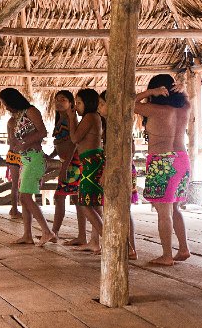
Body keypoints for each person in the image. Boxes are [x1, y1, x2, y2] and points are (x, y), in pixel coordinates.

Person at [134, 74, 192, 265]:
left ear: (158, 90)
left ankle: (167, 255)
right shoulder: (185, 108)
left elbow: (127, 103)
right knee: (174, 207)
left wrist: (149, 92)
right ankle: (183, 248)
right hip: (182, 160)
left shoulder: (153, 109)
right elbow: (187, 97)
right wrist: (181, 89)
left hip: (162, 161)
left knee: (163, 211)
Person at [1, 88, 55, 246]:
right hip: (24, 160)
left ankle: (47, 231)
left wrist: (24, 143)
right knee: (24, 199)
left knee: (24, 196)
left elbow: (43, 132)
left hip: (35, 157)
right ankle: (27, 235)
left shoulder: (31, 111)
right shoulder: (16, 118)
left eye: (5, 103)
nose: (5, 107)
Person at [99, 90, 138, 260]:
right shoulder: (111, 124)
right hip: (122, 168)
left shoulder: (117, 124)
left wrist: (108, 171)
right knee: (122, 210)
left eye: (101, 104)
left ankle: (128, 246)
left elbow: (129, 149)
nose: (99, 108)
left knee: (118, 209)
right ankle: (129, 247)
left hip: (120, 170)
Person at [47, 92, 87, 245]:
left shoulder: (72, 120)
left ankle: (55, 232)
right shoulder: (61, 119)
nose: (58, 102)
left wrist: (65, 166)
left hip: (72, 163)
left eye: (63, 100)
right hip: (67, 162)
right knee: (74, 199)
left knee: (62, 197)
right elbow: (60, 142)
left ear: (71, 103)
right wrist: (51, 155)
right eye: (56, 99)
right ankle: (77, 235)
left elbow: (73, 144)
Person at [70, 89, 105, 254]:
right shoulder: (94, 117)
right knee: (95, 204)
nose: (76, 106)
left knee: (84, 203)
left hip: (91, 163)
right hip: (92, 161)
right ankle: (94, 242)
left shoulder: (90, 116)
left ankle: (108, 238)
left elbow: (75, 138)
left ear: (88, 103)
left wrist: (71, 119)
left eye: (78, 103)